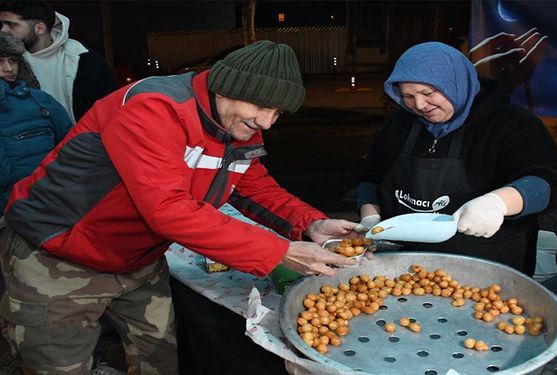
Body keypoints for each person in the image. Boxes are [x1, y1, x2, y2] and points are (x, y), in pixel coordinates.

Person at [0, 40, 358, 374]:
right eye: (261, 107)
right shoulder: (155, 107)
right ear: (225, 87)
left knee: (160, 361)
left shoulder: (236, 123)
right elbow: (168, 209)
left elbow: (251, 184)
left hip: (137, 259)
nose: (266, 122)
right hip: (59, 256)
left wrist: (309, 223)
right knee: (57, 365)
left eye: (277, 112)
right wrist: (280, 251)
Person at [355, 42, 557, 276]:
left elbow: (549, 181)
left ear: (454, 81)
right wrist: (370, 217)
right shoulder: (400, 124)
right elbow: (371, 177)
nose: (419, 105)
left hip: (490, 267)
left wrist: (499, 203)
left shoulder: (510, 122)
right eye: (407, 96)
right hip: (406, 265)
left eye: (428, 93)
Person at [0, 0, 117, 122]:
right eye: (2, 24)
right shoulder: (6, 61)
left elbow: (109, 108)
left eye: (11, 25)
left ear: (40, 28)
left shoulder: (84, 58)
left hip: (79, 139)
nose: (3, 30)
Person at [0, 31, 71, 212]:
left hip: (43, 202)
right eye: (0, 61)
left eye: (13, 61)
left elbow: (70, 146)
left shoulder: (41, 101)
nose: (8, 69)